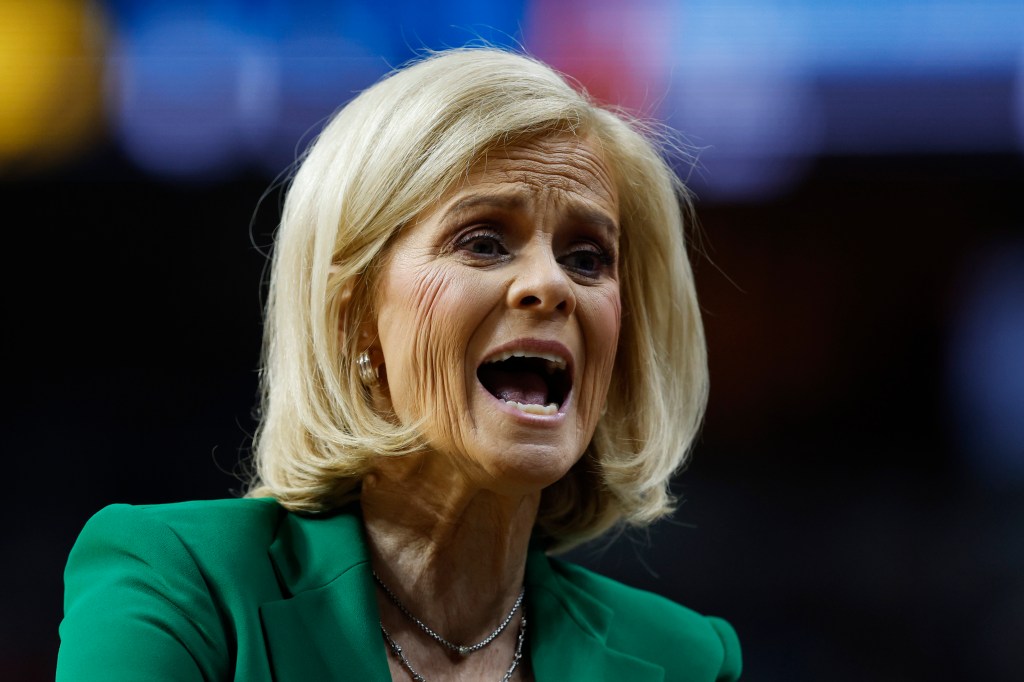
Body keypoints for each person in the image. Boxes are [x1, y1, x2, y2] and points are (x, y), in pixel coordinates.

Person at [57, 47, 741, 681]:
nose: (552, 285)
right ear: (354, 317)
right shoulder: (180, 584)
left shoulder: (683, 659)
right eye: (483, 242)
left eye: (587, 258)